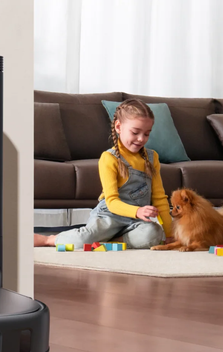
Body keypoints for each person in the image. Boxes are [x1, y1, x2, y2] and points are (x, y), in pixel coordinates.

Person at [35, 99, 174, 249]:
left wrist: (169, 233)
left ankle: (113, 240)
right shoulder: (109, 158)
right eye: (135, 132)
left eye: (147, 134)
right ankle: (49, 239)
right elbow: (112, 201)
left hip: (135, 221)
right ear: (118, 127)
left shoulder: (152, 158)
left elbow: (159, 198)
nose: (141, 139)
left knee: (153, 234)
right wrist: (137, 211)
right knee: (83, 240)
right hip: (110, 216)